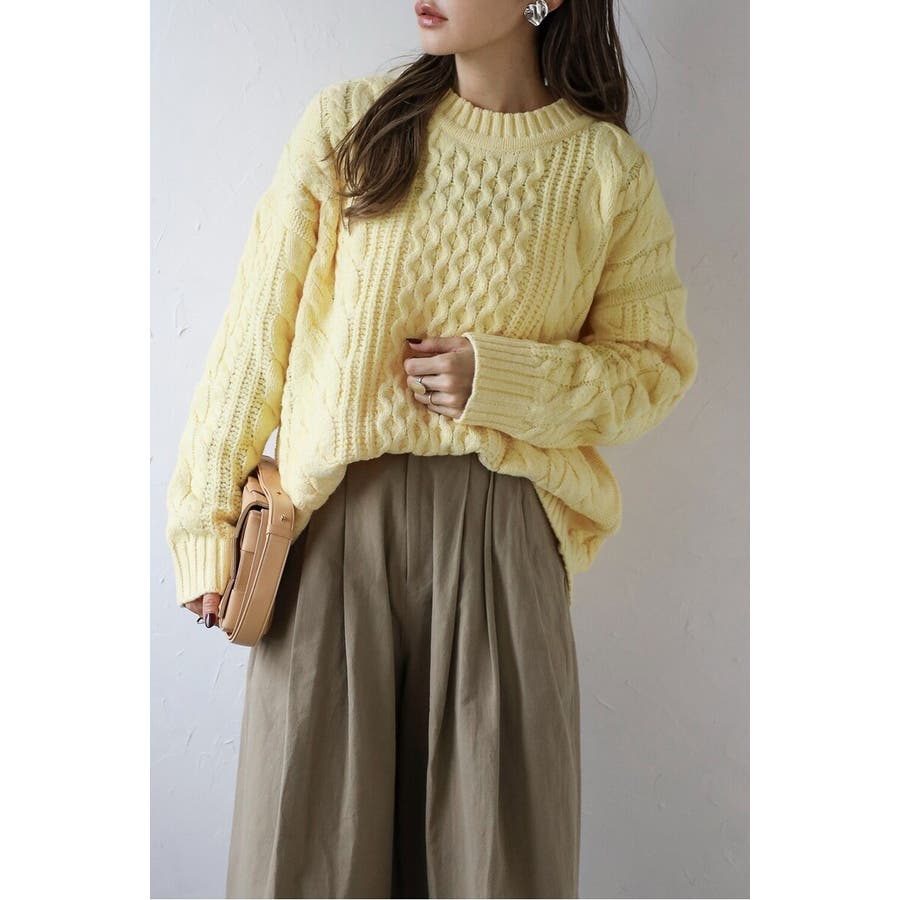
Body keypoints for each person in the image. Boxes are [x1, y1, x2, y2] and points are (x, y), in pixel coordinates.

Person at [165, 1, 699, 896]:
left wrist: (505, 379)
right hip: (331, 538)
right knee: (302, 858)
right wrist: (204, 521)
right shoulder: (351, 126)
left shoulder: (606, 171)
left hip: (502, 544)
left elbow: (653, 367)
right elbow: (256, 335)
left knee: (493, 864)